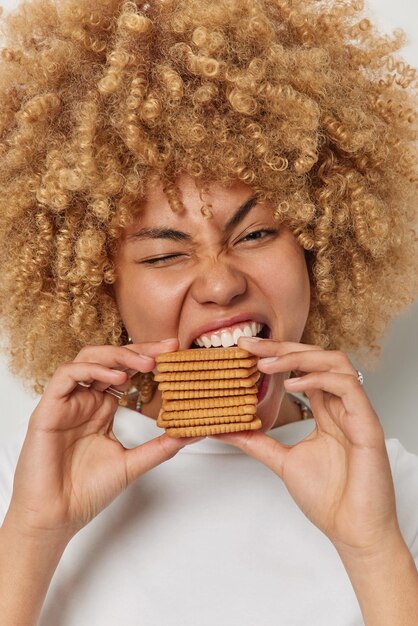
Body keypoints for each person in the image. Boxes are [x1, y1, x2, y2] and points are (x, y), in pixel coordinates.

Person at [0, 0, 417, 624]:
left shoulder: (395, 491)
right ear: (97, 284)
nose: (221, 284)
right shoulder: (26, 478)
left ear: (315, 245)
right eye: (166, 254)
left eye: (254, 236)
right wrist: (33, 535)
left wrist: (372, 547)